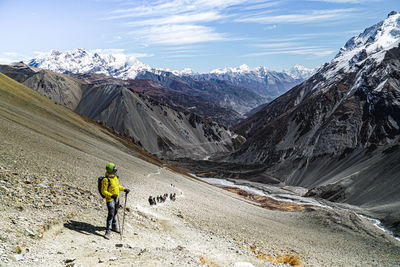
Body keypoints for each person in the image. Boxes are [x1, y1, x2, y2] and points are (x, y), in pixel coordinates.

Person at [101, 163, 130, 240]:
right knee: (111, 214)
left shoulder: (115, 178)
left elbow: (118, 186)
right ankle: (108, 231)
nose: (116, 169)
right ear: (111, 170)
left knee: (115, 212)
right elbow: (103, 191)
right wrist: (111, 195)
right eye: (114, 168)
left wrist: (124, 189)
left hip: (116, 198)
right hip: (110, 199)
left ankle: (114, 227)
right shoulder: (105, 179)